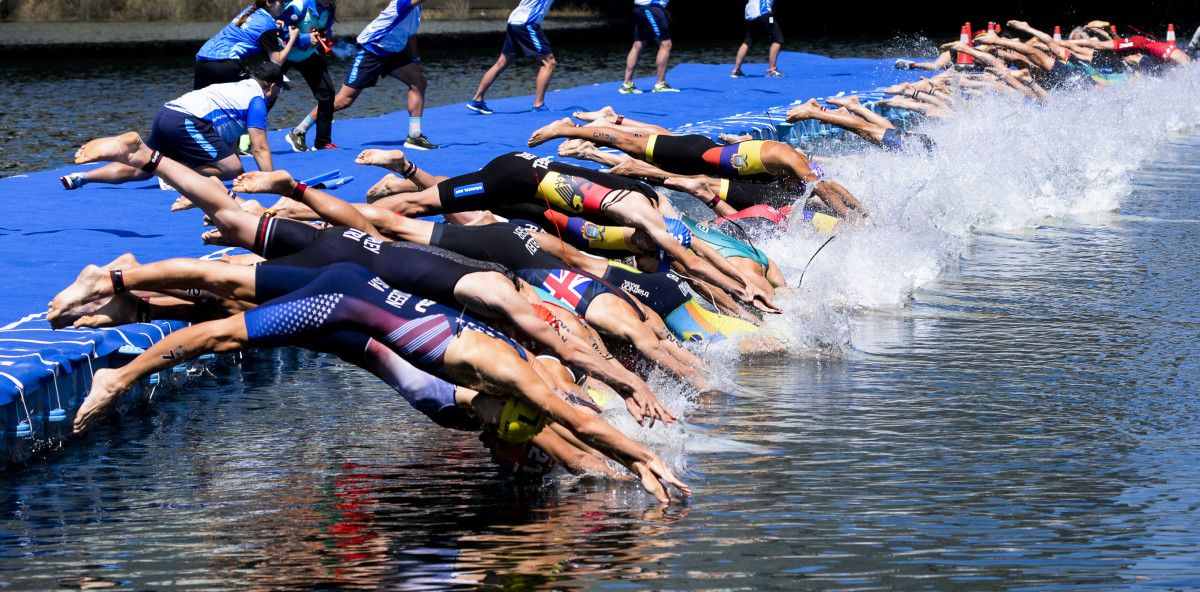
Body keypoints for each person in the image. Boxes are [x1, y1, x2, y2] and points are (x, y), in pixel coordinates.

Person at [70, 261, 690, 503]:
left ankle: (131, 298)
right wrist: (636, 465)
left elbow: (577, 414)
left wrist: (637, 456)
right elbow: (576, 424)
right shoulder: (505, 378)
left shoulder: (510, 381)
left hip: (358, 303)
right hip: (345, 307)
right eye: (502, 435)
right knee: (225, 333)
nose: (495, 441)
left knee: (235, 291)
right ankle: (117, 375)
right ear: (501, 412)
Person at [526, 117, 864, 217]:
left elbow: (830, 186)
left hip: (704, 155)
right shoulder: (795, 164)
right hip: (698, 154)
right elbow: (822, 188)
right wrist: (850, 221)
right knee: (629, 143)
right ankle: (566, 128)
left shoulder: (800, 166)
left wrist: (864, 212)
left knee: (648, 145)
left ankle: (597, 134)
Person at [59, 62, 288, 190]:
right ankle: (172, 173)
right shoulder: (257, 100)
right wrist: (271, 180)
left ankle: (81, 177)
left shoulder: (239, 88)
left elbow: (228, 142)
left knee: (142, 169)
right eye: (280, 89)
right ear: (271, 87)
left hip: (167, 114)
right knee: (233, 170)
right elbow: (259, 147)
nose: (279, 94)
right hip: (186, 121)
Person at [287, 0, 437, 151]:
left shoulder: (416, 8)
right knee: (344, 100)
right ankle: (298, 131)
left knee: (419, 82)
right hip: (371, 49)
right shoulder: (403, 2)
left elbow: (409, 35)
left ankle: (414, 136)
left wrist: (416, 60)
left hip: (394, 51)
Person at [466, 0, 557, 114]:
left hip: (514, 22)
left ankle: (477, 100)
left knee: (502, 62)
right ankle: (538, 104)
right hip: (526, 24)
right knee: (549, 63)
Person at [278, 0, 338, 152]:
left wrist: (325, 38)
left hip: (307, 55)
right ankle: (243, 143)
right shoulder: (298, 6)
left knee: (327, 94)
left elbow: (325, 28)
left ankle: (322, 142)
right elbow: (279, 32)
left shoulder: (329, 7)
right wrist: (305, 39)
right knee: (266, 96)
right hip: (282, 54)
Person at [194, 0, 295, 89]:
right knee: (241, 103)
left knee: (199, 107)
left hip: (202, 61)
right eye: (282, 1)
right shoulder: (267, 25)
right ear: (268, 2)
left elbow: (251, 29)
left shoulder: (250, 10)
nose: (284, 5)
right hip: (224, 64)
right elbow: (276, 62)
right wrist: (292, 38)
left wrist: (274, 27)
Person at [786, 97, 935, 153]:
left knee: (885, 131)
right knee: (867, 130)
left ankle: (853, 108)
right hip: (921, 150)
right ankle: (812, 112)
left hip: (925, 148)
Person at [621, 0, 677, 94]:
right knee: (666, 44)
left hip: (640, 8)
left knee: (638, 44)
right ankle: (660, 84)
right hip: (651, 7)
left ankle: (627, 85)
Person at [730, 0, 783, 78]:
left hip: (750, 12)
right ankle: (772, 69)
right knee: (777, 39)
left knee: (748, 41)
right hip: (762, 10)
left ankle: (736, 70)